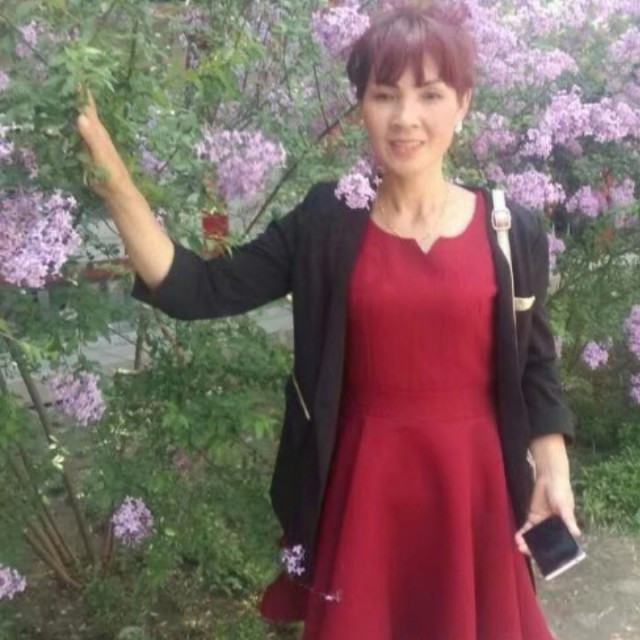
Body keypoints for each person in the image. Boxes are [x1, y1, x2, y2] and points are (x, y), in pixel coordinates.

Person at [76, 3, 580, 638]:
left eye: (429, 94)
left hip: (474, 491)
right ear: (361, 106)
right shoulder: (327, 222)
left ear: (463, 103)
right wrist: (112, 177)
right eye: (384, 94)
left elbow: (535, 367)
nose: (405, 118)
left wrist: (553, 473)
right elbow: (195, 288)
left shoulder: (510, 230)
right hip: (364, 491)